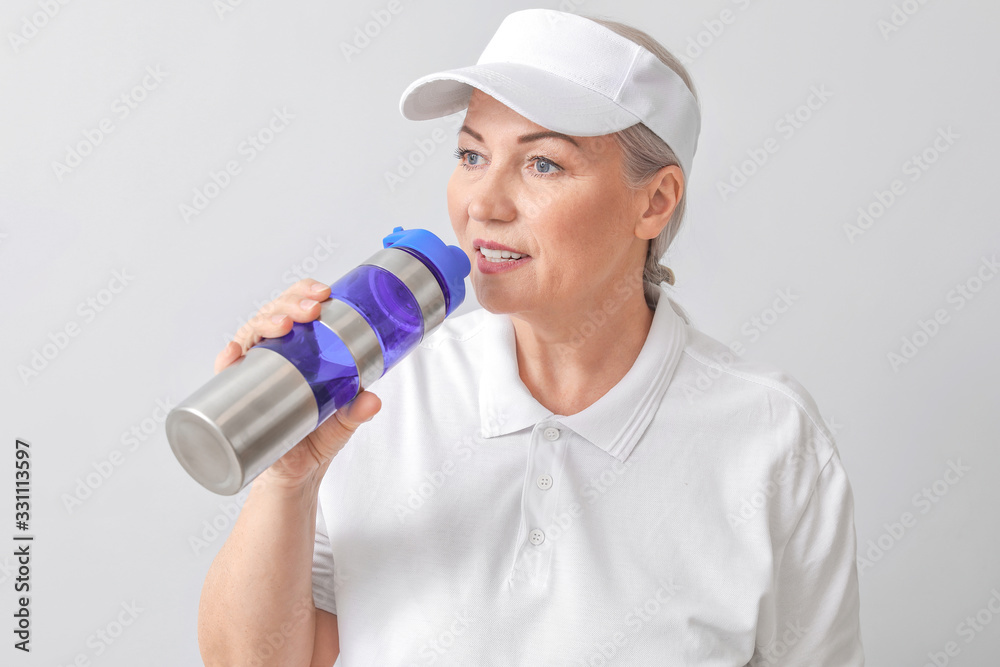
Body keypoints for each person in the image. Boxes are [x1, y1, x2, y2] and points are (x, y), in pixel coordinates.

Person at [197, 8, 864, 666]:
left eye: (542, 164)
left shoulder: (769, 435)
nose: (483, 203)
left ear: (654, 201)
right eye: (471, 154)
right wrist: (289, 476)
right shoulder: (376, 390)